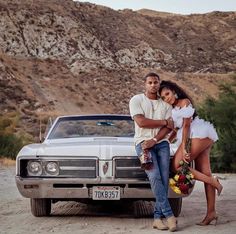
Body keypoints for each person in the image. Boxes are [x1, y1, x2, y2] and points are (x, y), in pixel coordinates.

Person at [159, 80, 223, 226]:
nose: (166, 98)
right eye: (163, 97)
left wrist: (186, 148)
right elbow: (176, 130)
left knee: (177, 166)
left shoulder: (184, 102)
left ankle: (214, 182)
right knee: (205, 173)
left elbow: (187, 126)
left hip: (198, 134)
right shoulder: (173, 109)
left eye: (167, 94)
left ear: (174, 91)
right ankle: (211, 212)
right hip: (197, 136)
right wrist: (166, 140)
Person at [129, 72, 177, 232]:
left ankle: (157, 218)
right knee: (155, 177)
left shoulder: (166, 105)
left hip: (161, 144)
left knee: (164, 180)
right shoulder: (137, 100)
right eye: (150, 82)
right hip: (142, 145)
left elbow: (167, 129)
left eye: (155, 82)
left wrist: (155, 140)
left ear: (159, 84)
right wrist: (164, 122)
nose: (153, 85)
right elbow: (141, 122)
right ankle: (169, 216)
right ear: (145, 84)